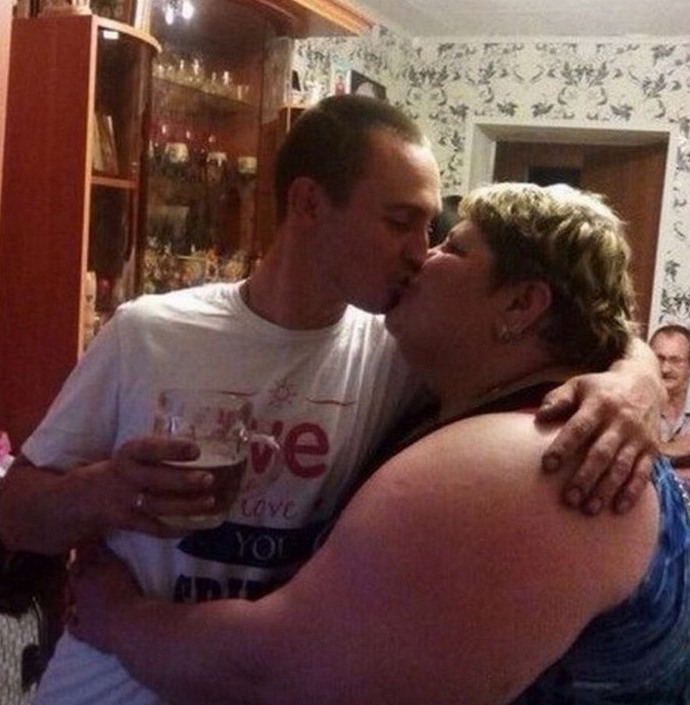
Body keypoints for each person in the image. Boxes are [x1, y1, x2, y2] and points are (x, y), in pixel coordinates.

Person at [0, 97, 660, 703]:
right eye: (400, 222)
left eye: (433, 230)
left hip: (250, 677)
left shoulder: (403, 350)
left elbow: (561, 336)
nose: (420, 253)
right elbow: (15, 513)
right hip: (103, 686)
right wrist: (100, 493)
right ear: (310, 204)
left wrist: (636, 379)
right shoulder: (149, 331)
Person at [650, 323, 690, 476]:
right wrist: (673, 449)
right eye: (659, 359)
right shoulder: (633, 403)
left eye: (675, 360)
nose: (665, 369)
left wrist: (651, 449)